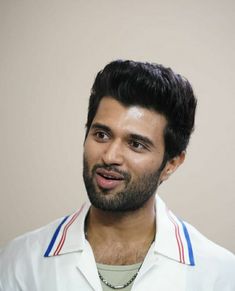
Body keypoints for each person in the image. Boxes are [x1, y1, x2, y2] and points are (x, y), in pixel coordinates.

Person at [0, 60, 234, 291]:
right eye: (101, 134)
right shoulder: (20, 263)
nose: (110, 156)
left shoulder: (219, 274)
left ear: (171, 164)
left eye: (136, 144)